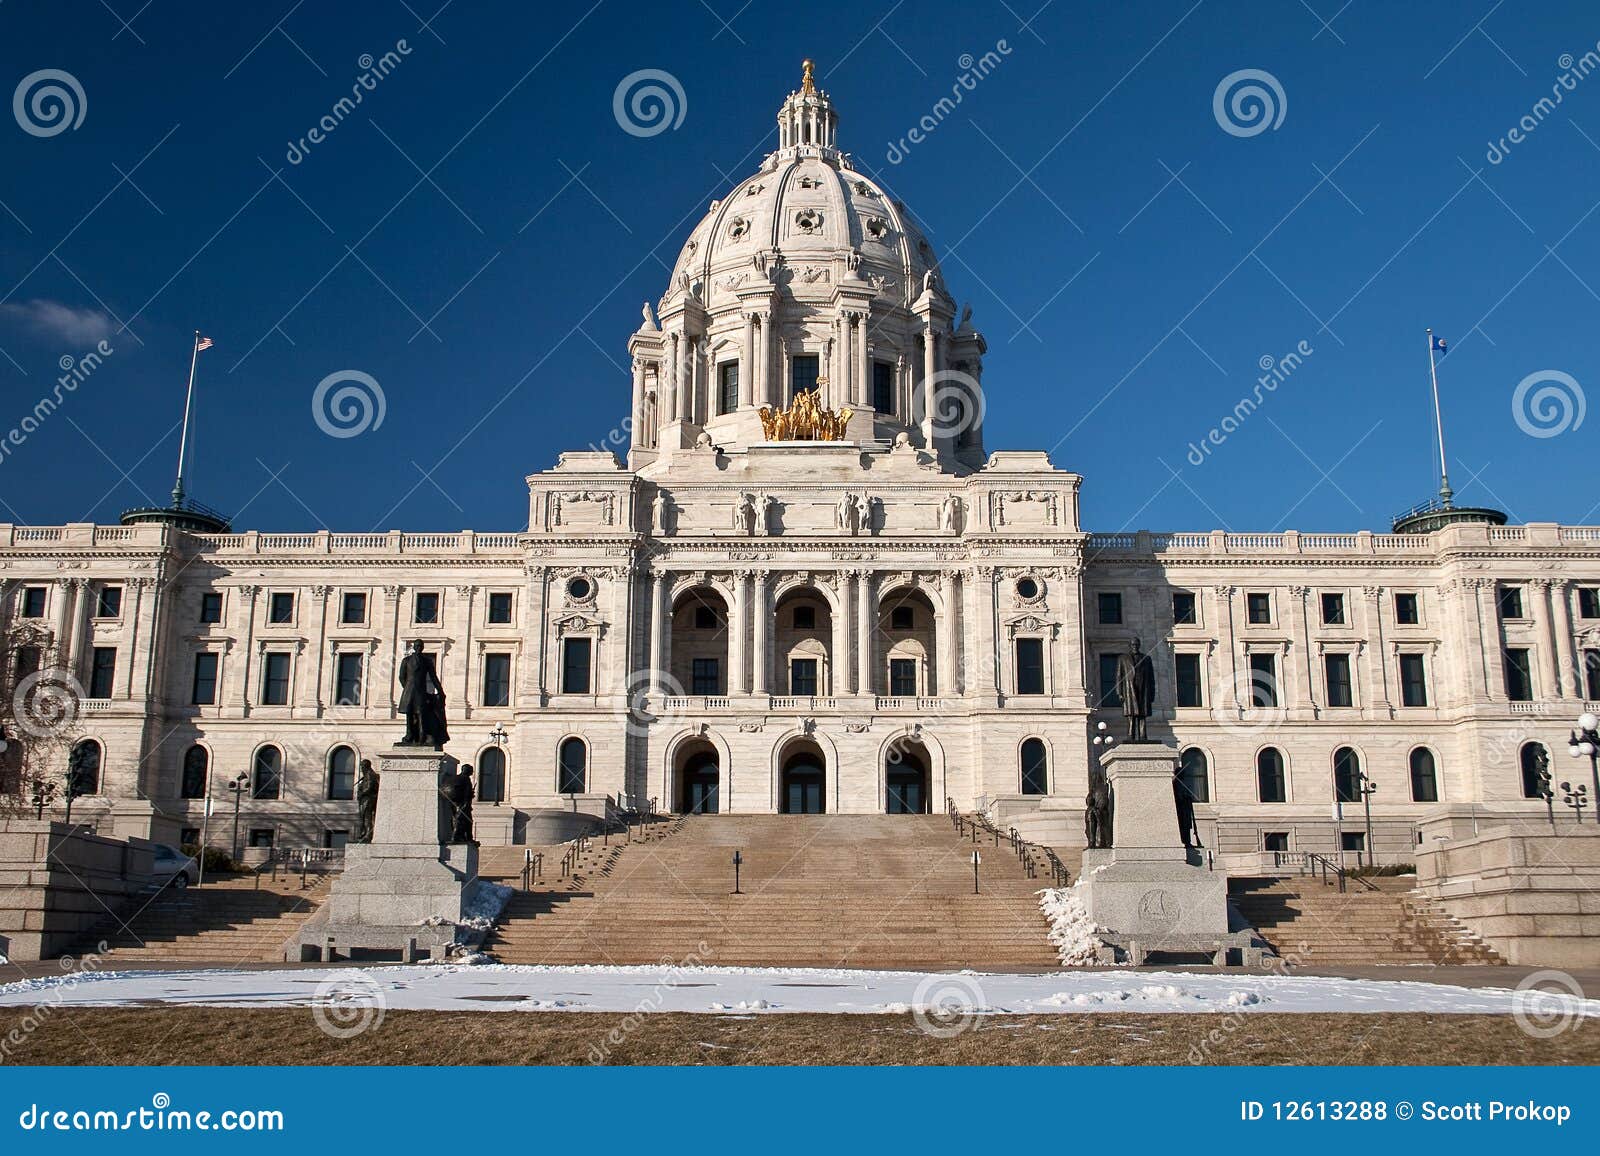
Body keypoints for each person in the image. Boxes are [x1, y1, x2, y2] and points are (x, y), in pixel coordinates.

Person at [398, 639, 449, 748]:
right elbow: (401, 677)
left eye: (420, 646)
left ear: (423, 647)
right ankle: (409, 735)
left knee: (421, 713)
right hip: (409, 691)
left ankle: (422, 736)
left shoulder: (427, 661)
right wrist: (407, 687)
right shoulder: (406, 660)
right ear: (414, 647)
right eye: (417, 646)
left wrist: (440, 690)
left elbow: (433, 677)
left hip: (421, 691)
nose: (419, 648)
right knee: (409, 714)